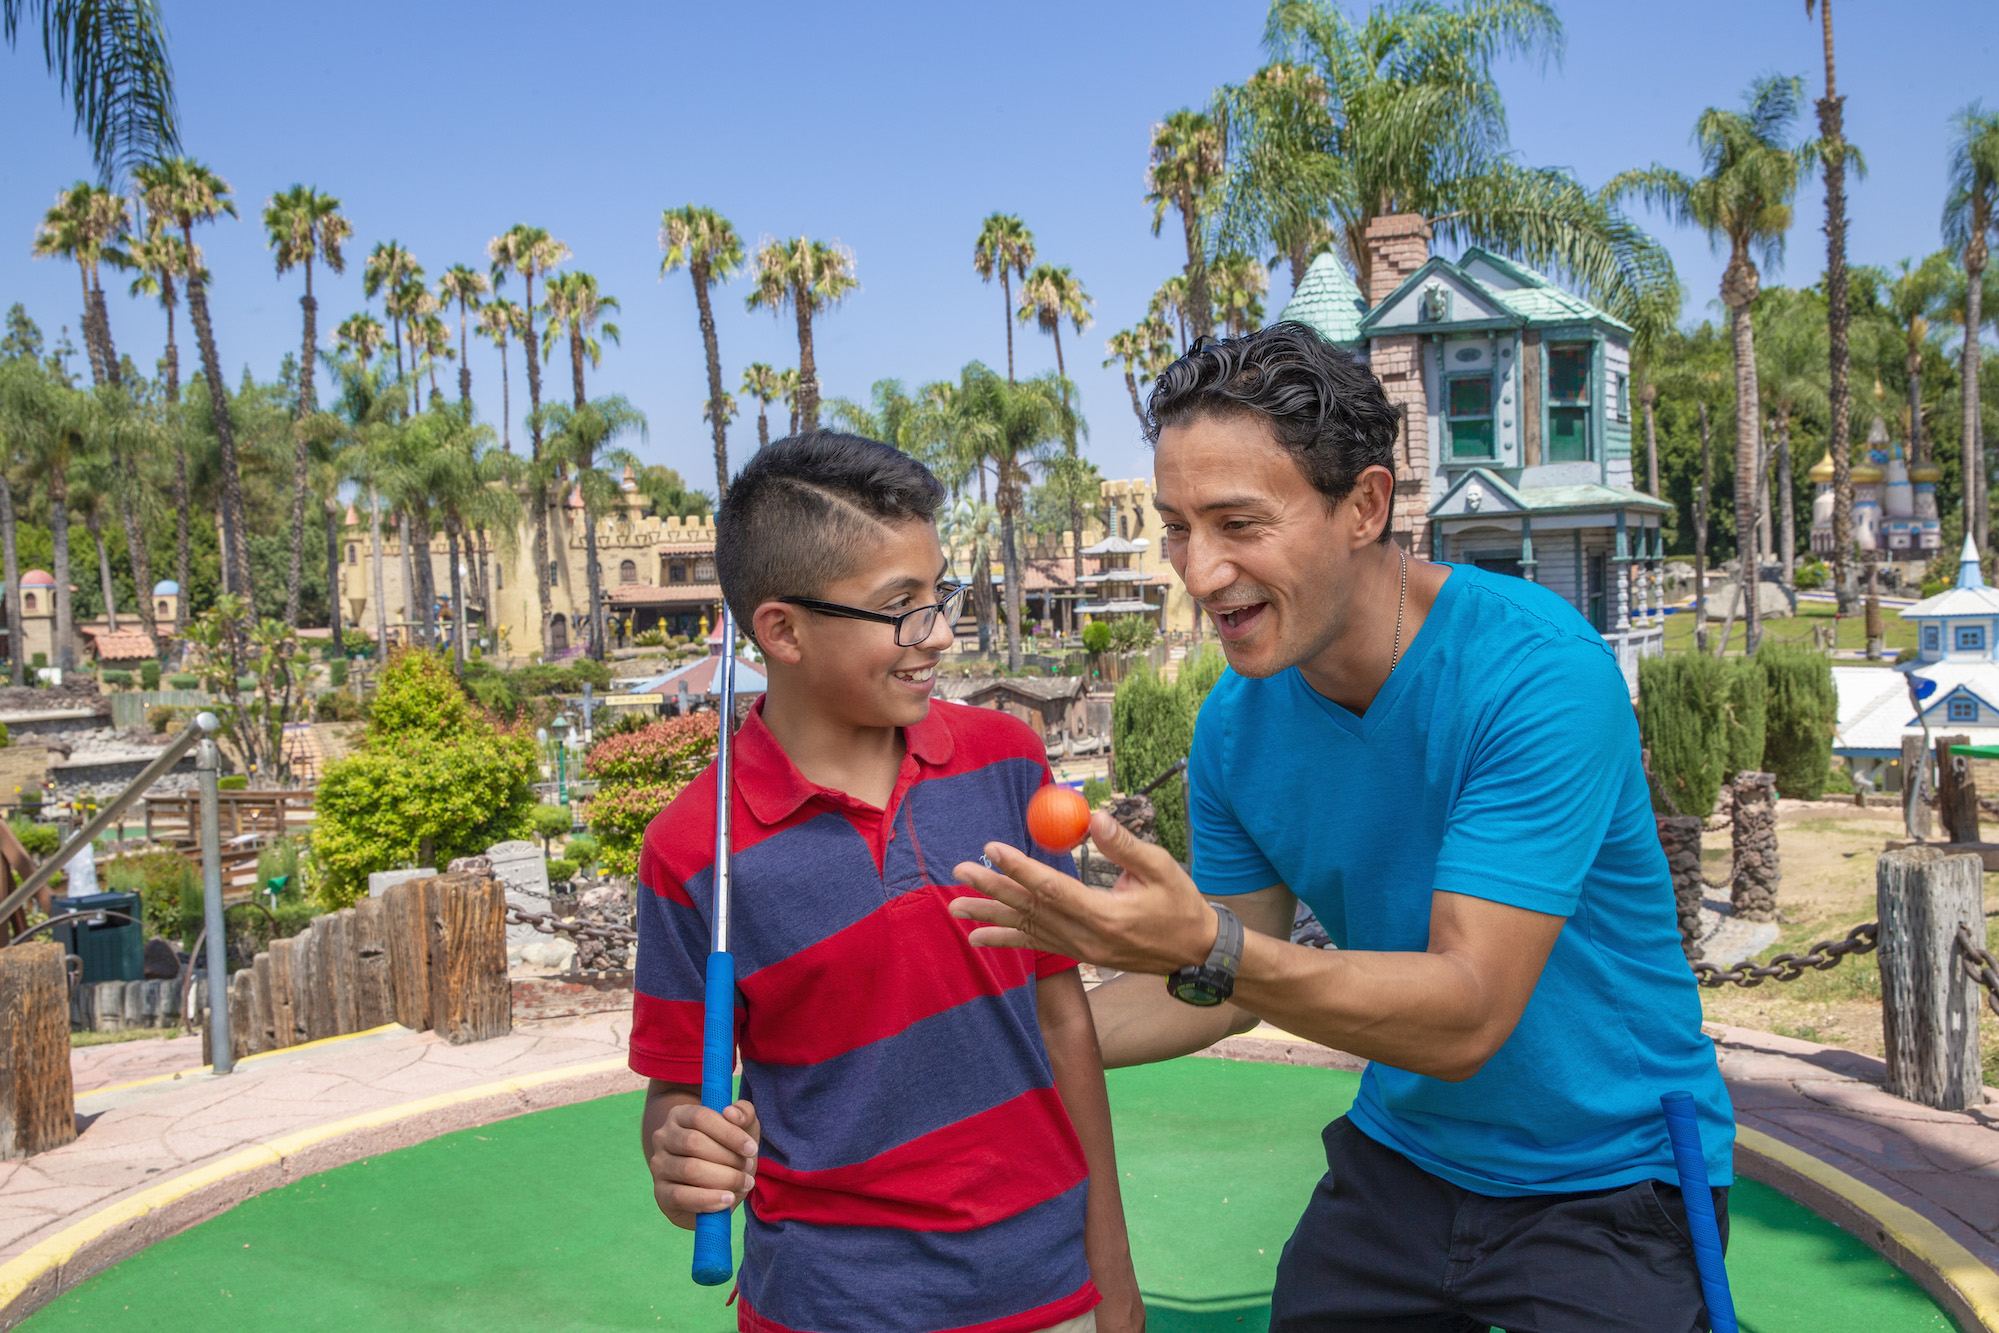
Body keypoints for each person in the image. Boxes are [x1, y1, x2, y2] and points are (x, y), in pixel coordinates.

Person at [952, 325, 1735, 1332]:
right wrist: (1004, 1040)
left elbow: (1464, 1013)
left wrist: (1209, 947)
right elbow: (1215, 993)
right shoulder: (1237, 723)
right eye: (1178, 527)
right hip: (1407, 1155)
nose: (1198, 571)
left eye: (1238, 522)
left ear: (1364, 505)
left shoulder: (1535, 674)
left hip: (1613, 1174)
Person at [633, 433, 1143, 1333]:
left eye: (937, 593)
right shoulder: (688, 850)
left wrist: (1115, 1275)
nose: (939, 632)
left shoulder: (1007, 764)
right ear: (781, 630)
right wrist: (680, 1159)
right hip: (823, 1305)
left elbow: (1063, 1023)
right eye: (900, 607)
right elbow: (679, 1092)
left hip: (1043, 1286)